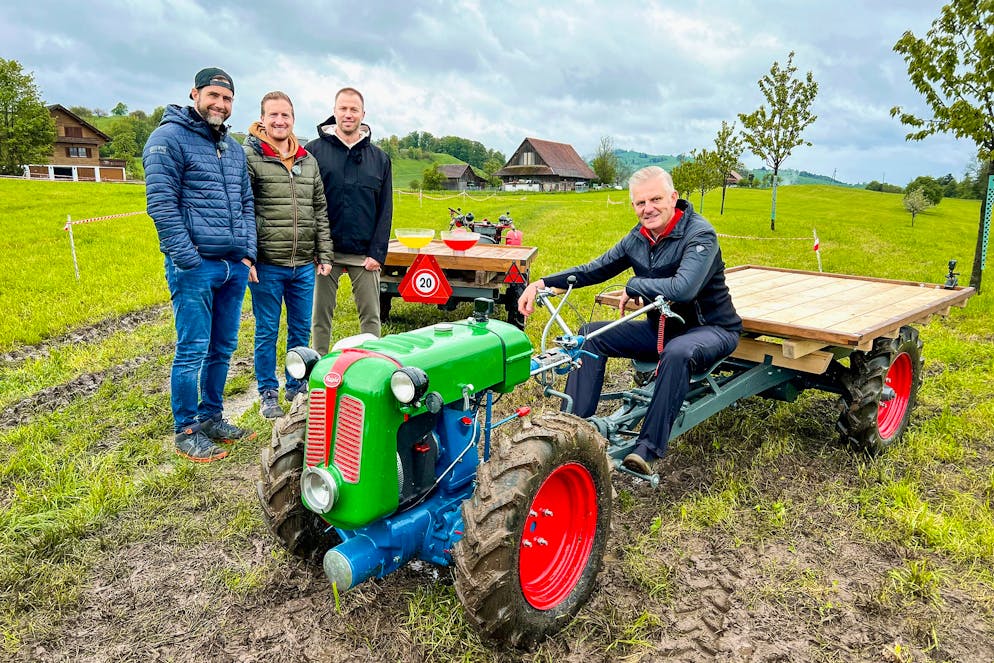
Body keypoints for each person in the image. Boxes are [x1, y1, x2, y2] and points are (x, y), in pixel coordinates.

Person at [517, 166, 742, 474]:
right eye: (640, 203)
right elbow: (594, 269)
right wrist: (542, 283)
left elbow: (684, 288)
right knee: (591, 336)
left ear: (673, 198)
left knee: (678, 352)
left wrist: (635, 285)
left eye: (656, 199)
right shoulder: (638, 238)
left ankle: (647, 449)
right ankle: (573, 429)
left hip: (712, 329)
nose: (648, 208)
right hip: (662, 330)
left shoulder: (699, 234)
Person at [143, 67, 257, 462]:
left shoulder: (233, 148)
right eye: (214, 96)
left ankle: (212, 417)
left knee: (222, 347)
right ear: (195, 94)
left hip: (232, 266)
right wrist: (187, 258)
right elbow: (161, 204)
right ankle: (187, 429)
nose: (220, 104)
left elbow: (246, 204)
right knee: (192, 348)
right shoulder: (168, 139)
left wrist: (246, 254)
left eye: (227, 99)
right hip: (195, 267)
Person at [244, 91, 333, 418]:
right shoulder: (250, 157)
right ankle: (268, 391)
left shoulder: (307, 160)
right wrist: (248, 256)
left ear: (293, 119)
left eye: (285, 115)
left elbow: (319, 208)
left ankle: (296, 385)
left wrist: (324, 252)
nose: (280, 121)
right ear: (262, 119)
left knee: (300, 329)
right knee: (267, 330)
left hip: (304, 264)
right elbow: (243, 208)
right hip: (267, 264)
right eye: (273, 115)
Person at [306, 87, 393, 354]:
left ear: (363, 114)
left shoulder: (379, 158)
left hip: (364, 254)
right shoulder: (313, 151)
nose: (348, 114)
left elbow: (385, 209)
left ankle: (372, 364)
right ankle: (318, 364)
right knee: (320, 316)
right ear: (334, 111)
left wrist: (377, 253)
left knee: (371, 317)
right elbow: (306, 202)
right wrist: (315, 248)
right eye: (343, 108)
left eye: (354, 109)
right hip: (325, 252)